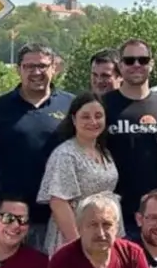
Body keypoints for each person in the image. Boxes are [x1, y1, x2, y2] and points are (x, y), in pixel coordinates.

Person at [0, 43, 72, 249]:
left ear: (54, 68)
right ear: (18, 69)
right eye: (29, 66)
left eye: (42, 66)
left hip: (56, 218)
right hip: (7, 217)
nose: (36, 72)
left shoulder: (70, 106)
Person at [102, 38, 157, 242]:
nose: (136, 65)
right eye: (129, 60)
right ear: (120, 66)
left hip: (153, 214)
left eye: (143, 60)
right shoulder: (103, 105)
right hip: (110, 209)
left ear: (151, 64)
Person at [36, 92, 121, 255]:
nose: (93, 121)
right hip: (75, 238)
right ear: (74, 120)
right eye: (86, 117)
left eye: (98, 116)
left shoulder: (104, 153)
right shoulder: (66, 154)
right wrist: (78, 246)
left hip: (102, 234)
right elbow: (59, 203)